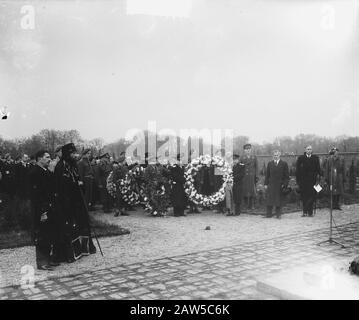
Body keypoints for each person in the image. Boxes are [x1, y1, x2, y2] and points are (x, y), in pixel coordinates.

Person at [53, 143, 96, 263]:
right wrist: (74, 186)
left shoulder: (73, 165)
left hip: (77, 200)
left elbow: (77, 178)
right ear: (67, 154)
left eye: (74, 153)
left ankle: (84, 249)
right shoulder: (60, 166)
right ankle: (71, 253)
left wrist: (79, 185)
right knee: (70, 226)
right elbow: (60, 186)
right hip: (67, 201)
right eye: (71, 153)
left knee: (82, 222)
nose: (74, 155)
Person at [28, 150, 59, 270]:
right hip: (41, 209)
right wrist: (42, 212)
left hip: (49, 207)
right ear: (39, 159)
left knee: (48, 233)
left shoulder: (45, 171)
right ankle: (42, 262)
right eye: (47, 157)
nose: (49, 159)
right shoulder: (34, 173)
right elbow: (36, 195)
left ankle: (48, 259)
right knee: (41, 235)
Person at [296, 145, 321, 217]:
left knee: (312, 196)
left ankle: (310, 212)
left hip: (313, 181)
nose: (309, 150)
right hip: (303, 181)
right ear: (305, 150)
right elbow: (297, 170)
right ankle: (304, 212)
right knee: (304, 197)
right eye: (308, 149)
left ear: (312, 150)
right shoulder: (301, 158)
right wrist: (298, 181)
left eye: (310, 149)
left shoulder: (315, 158)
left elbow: (318, 169)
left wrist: (320, 178)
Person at [264, 150, 289, 219]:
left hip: (279, 184)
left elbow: (287, 176)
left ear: (279, 155)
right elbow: (267, 175)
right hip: (271, 184)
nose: (276, 156)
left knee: (278, 200)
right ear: (273, 156)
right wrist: (266, 184)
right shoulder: (270, 163)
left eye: (277, 155)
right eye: (274, 155)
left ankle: (278, 214)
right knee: (270, 199)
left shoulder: (284, 164)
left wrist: (284, 184)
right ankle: (268, 214)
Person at [240, 144, 258, 210]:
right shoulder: (242, 157)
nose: (248, 150)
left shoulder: (254, 157)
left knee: (252, 190)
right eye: (246, 149)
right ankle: (245, 204)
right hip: (244, 176)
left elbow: (256, 167)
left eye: (249, 149)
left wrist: (256, 176)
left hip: (251, 176)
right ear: (244, 150)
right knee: (244, 190)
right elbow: (240, 167)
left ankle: (251, 205)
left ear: (251, 149)